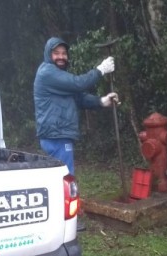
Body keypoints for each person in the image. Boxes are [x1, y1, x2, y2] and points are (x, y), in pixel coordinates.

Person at [34, 37, 119, 231]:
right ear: (49, 54)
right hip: (56, 135)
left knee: (58, 177)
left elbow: (78, 97)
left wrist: (101, 101)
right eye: (57, 53)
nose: (61, 57)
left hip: (56, 134)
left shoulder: (59, 77)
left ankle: (59, 215)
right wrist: (100, 70)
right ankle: (68, 220)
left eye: (64, 53)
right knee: (66, 177)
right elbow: (79, 84)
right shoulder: (47, 72)